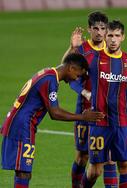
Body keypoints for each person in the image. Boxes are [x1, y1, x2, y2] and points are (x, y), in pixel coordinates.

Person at [0, 53, 104, 188]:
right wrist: (82, 117)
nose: (76, 79)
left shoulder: (49, 74)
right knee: (23, 172)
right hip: (21, 126)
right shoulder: (50, 80)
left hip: (21, 124)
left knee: (24, 171)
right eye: (78, 75)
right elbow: (55, 113)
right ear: (71, 68)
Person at [63, 11, 118, 188]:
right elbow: (67, 75)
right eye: (96, 28)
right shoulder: (82, 50)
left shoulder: (111, 48)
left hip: (107, 112)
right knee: (82, 157)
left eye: (103, 28)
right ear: (90, 29)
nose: (100, 33)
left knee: (109, 159)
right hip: (85, 111)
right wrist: (85, 93)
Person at [80, 20, 127, 187]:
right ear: (105, 36)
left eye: (117, 36)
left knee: (125, 165)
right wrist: (85, 92)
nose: (113, 39)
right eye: (110, 35)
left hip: (122, 122)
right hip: (99, 122)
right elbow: (71, 74)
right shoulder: (92, 59)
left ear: (122, 37)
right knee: (95, 170)